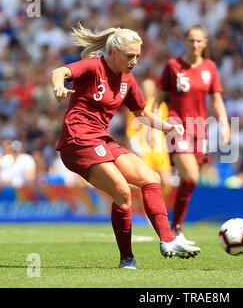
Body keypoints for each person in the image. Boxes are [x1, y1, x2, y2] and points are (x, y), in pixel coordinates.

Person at [51, 23, 200, 270]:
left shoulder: (127, 81)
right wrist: (58, 85)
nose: (134, 61)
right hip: (77, 141)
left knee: (151, 178)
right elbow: (60, 72)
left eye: (138, 56)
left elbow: (142, 113)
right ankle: (127, 260)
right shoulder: (93, 66)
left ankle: (168, 240)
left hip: (100, 139)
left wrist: (168, 127)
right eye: (130, 56)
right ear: (113, 54)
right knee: (122, 192)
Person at [155, 25, 230, 245]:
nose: (195, 45)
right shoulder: (173, 65)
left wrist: (224, 124)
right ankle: (173, 229)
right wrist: (152, 125)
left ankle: (175, 229)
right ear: (184, 41)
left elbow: (216, 100)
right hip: (176, 124)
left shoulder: (210, 68)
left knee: (189, 181)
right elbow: (159, 98)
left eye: (199, 41)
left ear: (205, 43)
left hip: (199, 129)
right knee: (190, 175)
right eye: (191, 41)